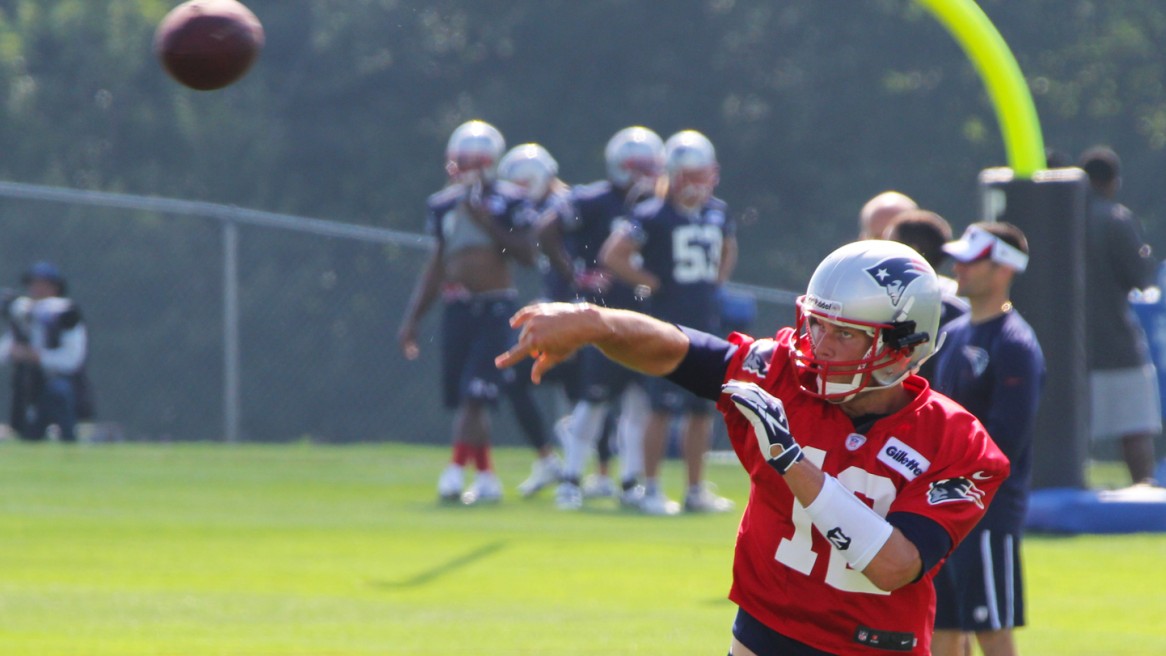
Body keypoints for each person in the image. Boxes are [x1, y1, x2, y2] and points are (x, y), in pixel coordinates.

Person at [496, 239, 1009, 655]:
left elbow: (895, 566)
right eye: (817, 323)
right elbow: (676, 350)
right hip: (764, 636)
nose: (821, 344)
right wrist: (597, 323)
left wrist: (791, 460)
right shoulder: (783, 374)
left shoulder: (957, 443)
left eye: (845, 334)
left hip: (873, 648)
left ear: (905, 344)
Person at [397, 119, 538, 505]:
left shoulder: (510, 200)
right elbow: (437, 264)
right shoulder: (442, 204)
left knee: (476, 393)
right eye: (460, 160)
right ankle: (488, 476)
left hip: (496, 308)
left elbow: (526, 254)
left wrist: (488, 225)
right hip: (457, 307)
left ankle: (455, 471)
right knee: (466, 397)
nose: (465, 167)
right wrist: (412, 319)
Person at [600, 129, 738, 514]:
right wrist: (653, 282)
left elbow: (729, 247)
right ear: (673, 175)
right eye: (689, 175)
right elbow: (613, 254)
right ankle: (652, 488)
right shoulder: (652, 214)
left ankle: (696, 489)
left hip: (705, 320)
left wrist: (717, 281)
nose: (697, 184)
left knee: (700, 409)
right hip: (668, 323)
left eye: (702, 174)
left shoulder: (718, 212)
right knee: (661, 407)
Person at [930, 223, 1046, 656]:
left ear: (1003, 269)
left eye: (971, 259)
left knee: (990, 629)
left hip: (987, 512)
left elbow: (1005, 441)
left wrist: (957, 483)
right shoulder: (954, 334)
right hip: (940, 508)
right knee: (942, 628)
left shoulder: (1014, 343)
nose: (958, 266)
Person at [540, 126, 662, 510]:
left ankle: (629, 482)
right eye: (638, 167)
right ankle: (571, 480)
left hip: (643, 316)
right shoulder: (596, 200)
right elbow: (546, 228)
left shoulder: (659, 207)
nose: (645, 175)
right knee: (592, 401)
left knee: (638, 403)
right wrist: (574, 276)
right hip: (605, 316)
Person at [1079, 146, 1161, 486]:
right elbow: (1141, 277)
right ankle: (1143, 492)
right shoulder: (1115, 217)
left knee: (1072, 434)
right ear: (1113, 181)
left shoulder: (1061, 216)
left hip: (1072, 348)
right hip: (1116, 342)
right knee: (1135, 428)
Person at [496, 142, 571, 498]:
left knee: (588, 389)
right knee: (516, 377)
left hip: (583, 313)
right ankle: (549, 461)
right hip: (553, 314)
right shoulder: (536, 211)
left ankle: (595, 472)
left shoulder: (570, 207)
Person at [0, 261, 93, 442]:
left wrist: (37, 357)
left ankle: (69, 440)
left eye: (43, 284)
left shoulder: (65, 316)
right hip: (29, 388)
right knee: (27, 434)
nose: (37, 289)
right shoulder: (24, 318)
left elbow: (72, 360)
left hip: (60, 386)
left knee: (58, 390)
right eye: (33, 284)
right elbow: (6, 348)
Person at [882, 209, 969, 380]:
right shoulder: (959, 311)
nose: (881, 255)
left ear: (911, 252)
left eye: (889, 244)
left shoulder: (953, 315)